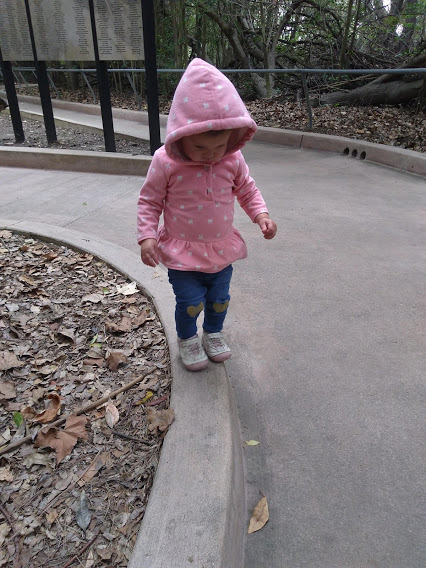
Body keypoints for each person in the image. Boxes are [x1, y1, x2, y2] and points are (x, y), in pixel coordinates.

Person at [137, 58, 277, 371]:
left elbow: (247, 190)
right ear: (181, 134)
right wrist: (146, 235)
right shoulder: (166, 162)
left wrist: (261, 215)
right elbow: (149, 200)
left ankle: (213, 333)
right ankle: (188, 339)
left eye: (219, 146)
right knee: (190, 303)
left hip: (220, 250)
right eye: (200, 147)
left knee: (219, 299)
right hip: (181, 251)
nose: (211, 155)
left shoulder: (232, 159)